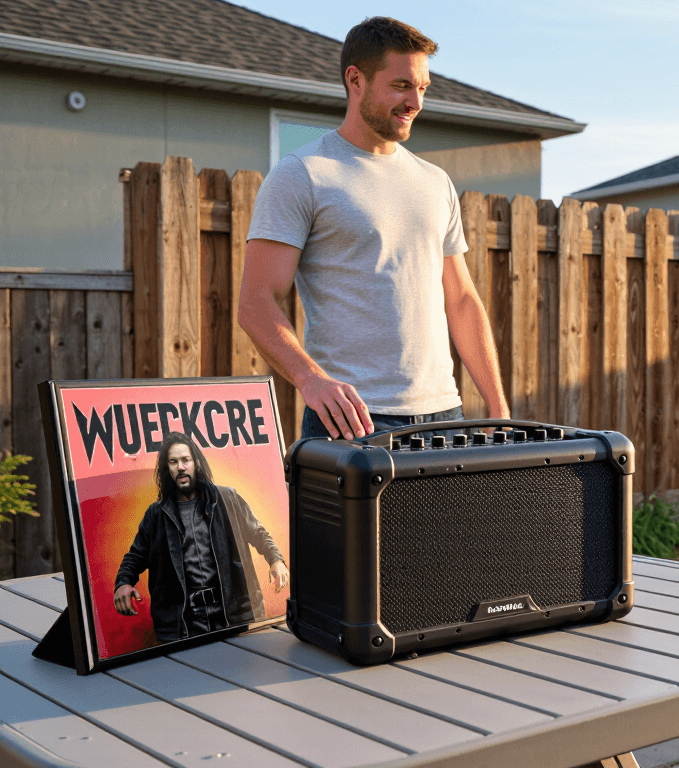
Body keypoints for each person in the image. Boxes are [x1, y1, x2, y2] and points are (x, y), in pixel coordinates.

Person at [238, 16, 509, 442]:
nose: (415, 101)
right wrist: (312, 381)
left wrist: (497, 405)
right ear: (355, 80)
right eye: (402, 85)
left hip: (445, 415)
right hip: (354, 421)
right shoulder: (303, 174)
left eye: (422, 88)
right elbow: (256, 303)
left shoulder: (435, 181)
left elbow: (460, 299)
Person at [113, 433, 289, 643]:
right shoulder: (156, 515)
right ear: (167, 469)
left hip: (232, 614)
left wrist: (276, 560)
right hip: (184, 623)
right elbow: (135, 556)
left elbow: (258, 533)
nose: (180, 467)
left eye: (185, 460)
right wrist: (123, 583)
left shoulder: (227, 498)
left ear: (195, 462)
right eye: (173, 461)